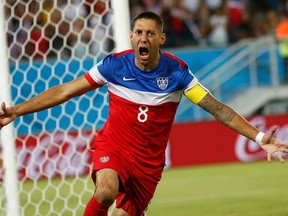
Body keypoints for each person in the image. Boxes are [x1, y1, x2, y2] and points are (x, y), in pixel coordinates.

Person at [0, 11, 288, 216]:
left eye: (150, 33)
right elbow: (64, 91)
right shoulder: (114, 66)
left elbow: (217, 108)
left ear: (161, 39)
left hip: (148, 166)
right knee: (105, 191)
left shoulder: (177, 73)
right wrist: (16, 110)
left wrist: (260, 136)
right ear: (131, 36)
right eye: (139, 32)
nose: (143, 38)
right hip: (114, 148)